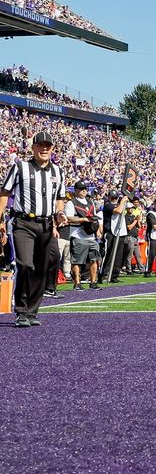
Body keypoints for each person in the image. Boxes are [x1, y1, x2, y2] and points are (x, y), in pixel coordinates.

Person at [0, 131, 69, 327]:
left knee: (42, 268)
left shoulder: (58, 172)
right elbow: (5, 192)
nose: (44, 148)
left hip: (46, 224)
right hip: (24, 223)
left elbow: (60, 198)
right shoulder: (20, 167)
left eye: (48, 146)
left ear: (53, 149)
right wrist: (0, 220)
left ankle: (32, 311)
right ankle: (21, 309)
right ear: (33, 148)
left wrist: (60, 212)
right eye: (41, 145)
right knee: (25, 264)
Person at [100, 191, 130, 284]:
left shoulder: (119, 205)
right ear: (108, 198)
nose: (114, 199)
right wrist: (123, 201)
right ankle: (103, 274)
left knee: (118, 256)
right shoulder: (108, 206)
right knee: (109, 255)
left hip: (119, 234)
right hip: (110, 233)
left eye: (115, 198)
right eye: (112, 197)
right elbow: (118, 211)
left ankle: (114, 275)